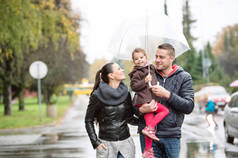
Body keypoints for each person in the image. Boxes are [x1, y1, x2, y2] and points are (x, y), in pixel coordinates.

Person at [137, 43, 194, 158]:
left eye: (161, 57)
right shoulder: (148, 74)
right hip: (148, 138)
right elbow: (135, 102)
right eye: (156, 56)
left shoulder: (184, 77)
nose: (157, 60)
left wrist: (167, 94)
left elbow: (188, 106)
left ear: (171, 58)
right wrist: (141, 109)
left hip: (171, 136)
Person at [85, 62, 138, 158]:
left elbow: (129, 118)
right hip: (106, 146)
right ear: (111, 75)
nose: (122, 70)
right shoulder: (97, 95)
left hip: (125, 145)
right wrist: (96, 142)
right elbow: (88, 120)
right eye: (118, 69)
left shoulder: (126, 93)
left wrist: (148, 120)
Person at [129, 48, 169, 158]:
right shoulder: (136, 73)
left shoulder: (151, 68)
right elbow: (133, 87)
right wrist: (144, 81)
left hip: (151, 99)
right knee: (164, 111)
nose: (139, 60)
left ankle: (147, 149)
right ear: (134, 61)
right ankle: (148, 145)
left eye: (141, 57)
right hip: (143, 101)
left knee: (150, 127)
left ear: (146, 58)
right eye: (136, 59)